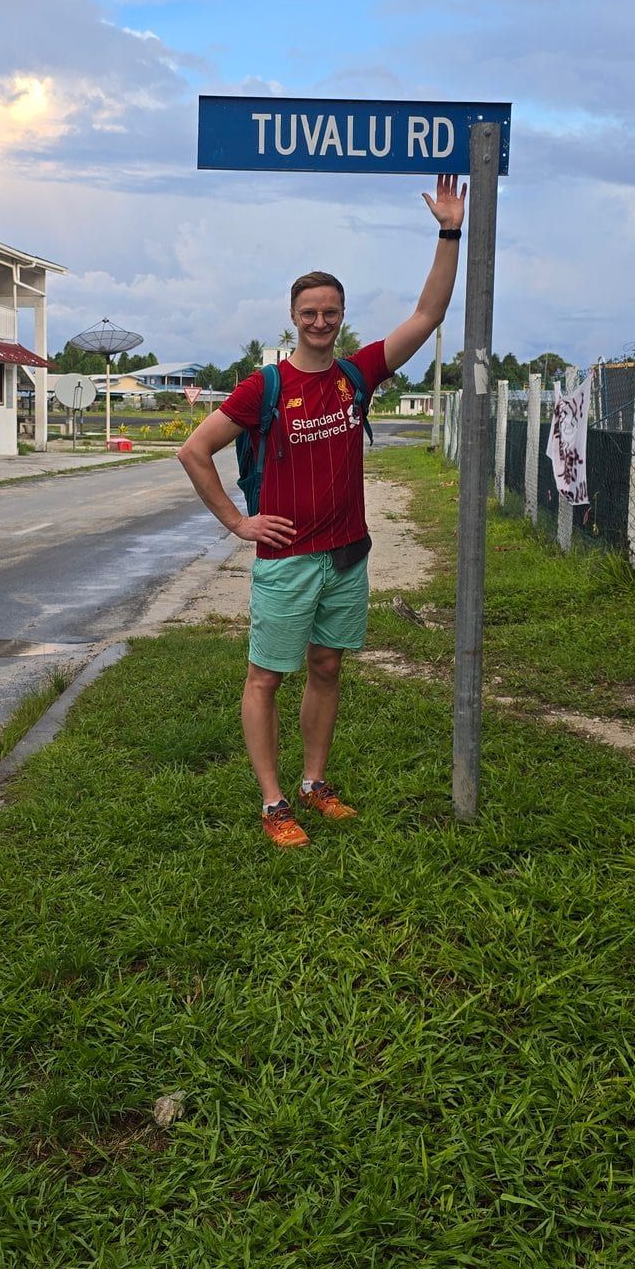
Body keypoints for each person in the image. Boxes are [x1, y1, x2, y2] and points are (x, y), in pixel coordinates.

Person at [176, 172, 467, 846]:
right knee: (265, 675)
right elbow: (194, 451)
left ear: (341, 315)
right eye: (309, 311)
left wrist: (449, 230)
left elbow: (427, 316)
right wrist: (237, 522)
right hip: (286, 559)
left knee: (328, 667)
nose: (320, 320)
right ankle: (273, 802)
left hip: (345, 554)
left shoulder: (356, 375)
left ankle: (313, 783)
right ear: (293, 317)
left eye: (330, 311)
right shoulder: (265, 387)